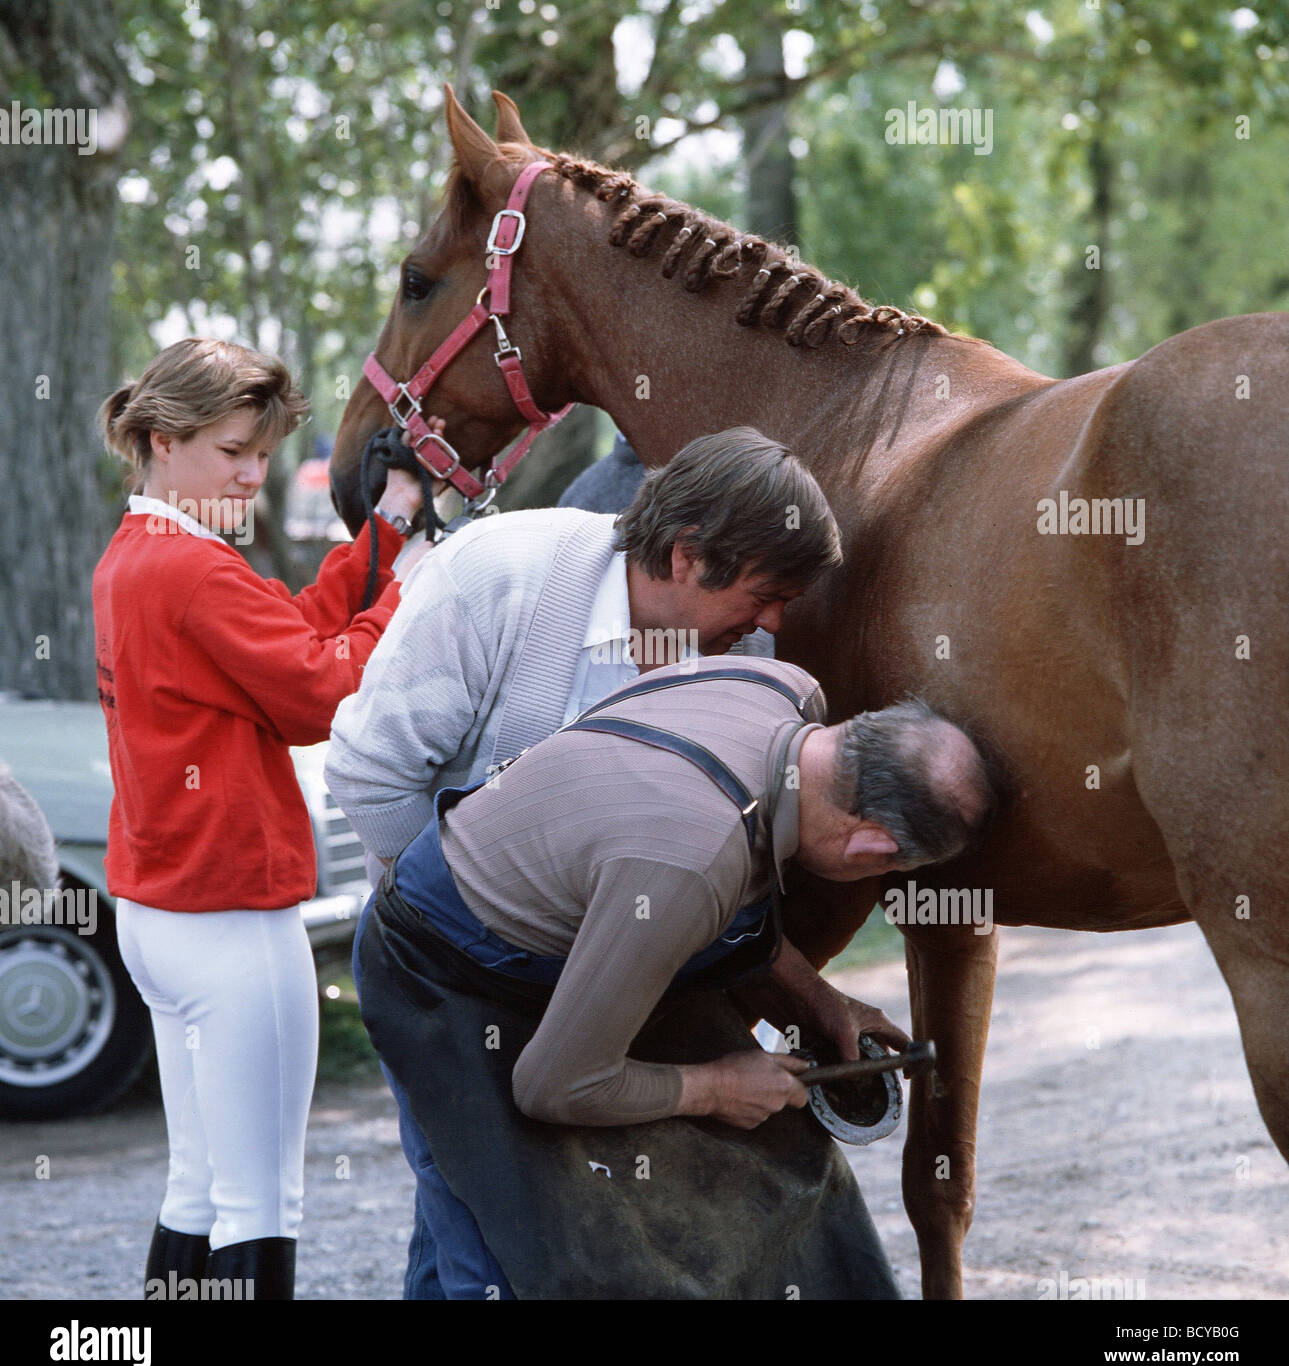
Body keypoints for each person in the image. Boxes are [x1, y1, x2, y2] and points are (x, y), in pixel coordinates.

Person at [325, 425, 843, 1297]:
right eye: (764, 594)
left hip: (583, 964)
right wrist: (463, 921)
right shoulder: (496, 576)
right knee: (495, 1233)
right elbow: (370, 774)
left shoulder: (737, 650)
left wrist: (814, 999)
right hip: (438, 961)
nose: (775, 623)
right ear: (684, 556)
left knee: (471, 1201)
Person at [355, 654, 999, 1298]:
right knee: (522, 1256)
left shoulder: (781, 689)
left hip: (600, 923)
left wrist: (817, 999)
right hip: (441, 968)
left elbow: (710, 886)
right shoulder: (690, 864)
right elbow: (553, 1084)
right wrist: (714, 1087)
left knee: (783, 1162)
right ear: (872, 849)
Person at [92, 338, 426, 1300]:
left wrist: (388, 532)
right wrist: (410, 587)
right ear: (162, 441)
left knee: (198, 1184)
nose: (252, 473)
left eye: (262, 452)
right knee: (261, 1200)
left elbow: (289, 630)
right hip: (232, 919)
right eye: (232, 450)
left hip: (158, 916)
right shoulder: (193, 571)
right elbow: (322, 692)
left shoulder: (140, 556)